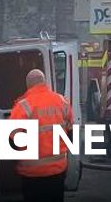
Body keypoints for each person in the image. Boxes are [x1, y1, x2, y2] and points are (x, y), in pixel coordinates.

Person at [10, 69, 72, 202]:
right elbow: (70, 134)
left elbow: (13, 142)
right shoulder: (62, 102)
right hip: (57, 170)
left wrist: (16, 163)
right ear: (44, 82)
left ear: (28, 85)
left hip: (32, 174)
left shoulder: (22, 106)